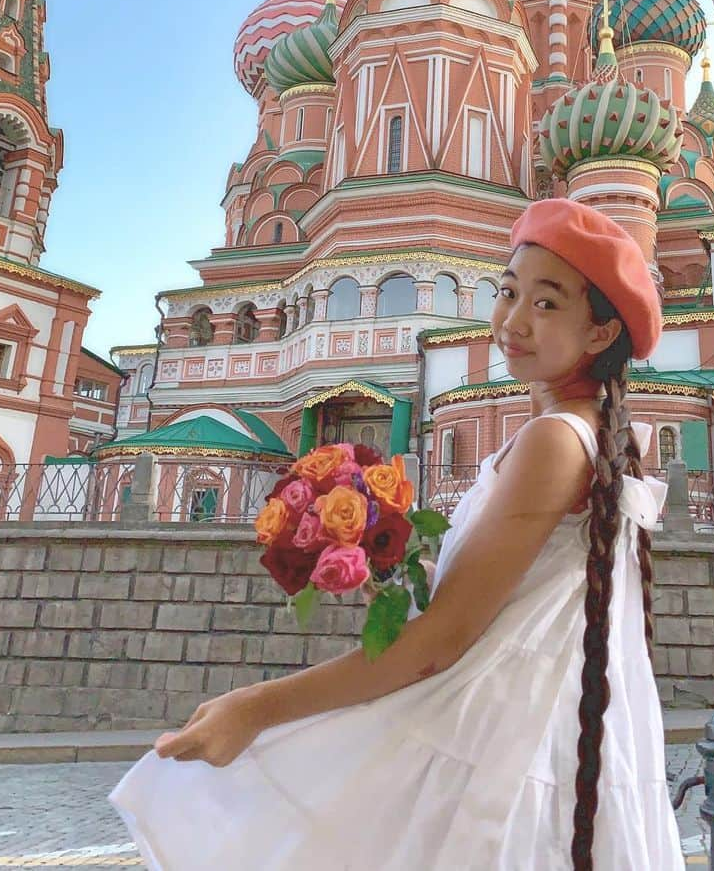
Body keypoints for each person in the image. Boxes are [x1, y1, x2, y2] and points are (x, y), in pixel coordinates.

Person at [109, 198, 684, 870]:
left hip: (499, 734)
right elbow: (500, 597)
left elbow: (440, 644)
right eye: (508, 292)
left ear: (597, 334)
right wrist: (386, 556)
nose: (515, 320)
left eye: (548, 304)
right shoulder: (578, 434)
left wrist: (257, 708)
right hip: (528, 726)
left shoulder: (555, 441)